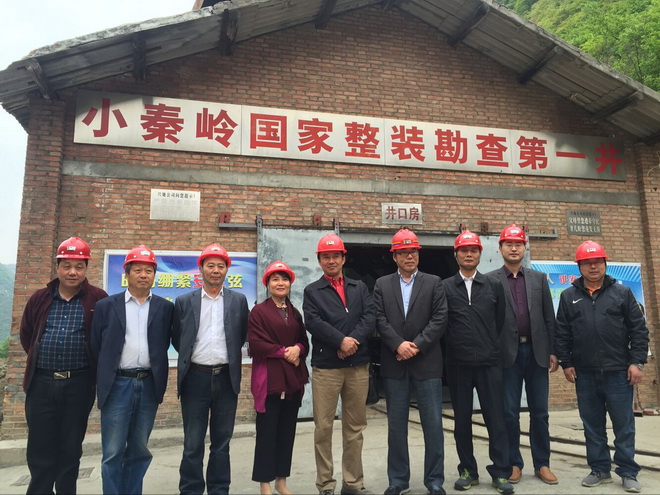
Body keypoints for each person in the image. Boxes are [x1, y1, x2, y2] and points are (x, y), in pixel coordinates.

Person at [555, 241, 649, 493]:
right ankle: (599, 469)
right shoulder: (568, 296)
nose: (593, 267)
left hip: (618, 372)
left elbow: (638, 330)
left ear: (605, 264)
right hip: (584, 374)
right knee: (592, 426)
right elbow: (562, 333)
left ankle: (628, 471)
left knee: (623, 426)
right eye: (587, 263)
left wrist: (637, 362)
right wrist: (566, 363)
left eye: (597, 262)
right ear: (579, 267)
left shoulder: (622, 293)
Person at [19, 236, 108, 494]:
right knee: (40, 448)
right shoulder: (40, 298)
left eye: (79, 266)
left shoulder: (98, 299)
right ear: (57, 266)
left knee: (71, 448)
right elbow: (27, 336)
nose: (72, 272)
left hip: (79, 384)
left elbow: (103, 337)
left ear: (86, 268)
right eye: (66, 265)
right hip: (41, 384)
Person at [90, 245, 174, 495]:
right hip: (118, 384)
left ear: (154, 275)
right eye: (137, 270)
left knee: (139, 450)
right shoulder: (106, 306)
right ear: (126, 274)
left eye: (149, 270)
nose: (143, 275)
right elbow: (95, 345)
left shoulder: (164, 308)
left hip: (148, 384)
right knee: (113, 451)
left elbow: (166, 342)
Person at [373, 229, 448, 495]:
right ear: (394, 256)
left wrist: (415, 346)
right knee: (396, 426)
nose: (409, 256)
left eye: (413, 252)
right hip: (394, 363)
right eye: (403, 252)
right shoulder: (382, 284)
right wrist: (398, 344)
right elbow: (379, 319)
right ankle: (398, 480)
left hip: (427, 362)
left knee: (433, 424)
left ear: (418, 254)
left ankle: (434, 480)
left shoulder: (434, 282)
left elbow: (440, 318)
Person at [172, 243, 249, 495]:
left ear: (227, 269)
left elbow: (241, 335)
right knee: (193, 443)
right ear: (201, 268)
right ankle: (190, 490)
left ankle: (219, 489)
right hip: (195, 378)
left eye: (221, 266)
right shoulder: (184, 301)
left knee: (222, 442)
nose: (216, 270)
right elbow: (178, 339)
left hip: (226, 378)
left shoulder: (238, 301)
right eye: (210, 265)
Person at [303, 233, 375, 495]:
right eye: (326, 257)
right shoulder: (313, 291)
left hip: (357, 367)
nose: (331, 260)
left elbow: (370, 316)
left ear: (344, 258)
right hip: (327, 369)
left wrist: (352, 341)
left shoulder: (359, 287)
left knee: (354, 427)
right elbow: (313, 322)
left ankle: (353, 483)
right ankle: (325, 484)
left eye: (335, 256)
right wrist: (340, 342)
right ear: (319, 261)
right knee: (323, 427)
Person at [442, 231, 513, 495]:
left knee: (496, 419)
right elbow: (442, 324)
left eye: (473, 250)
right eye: (464, 250)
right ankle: (468, 471)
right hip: (458, 364)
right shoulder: (445, 287)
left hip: (489, 362)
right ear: (456, 255)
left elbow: (499, 320)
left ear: (480, 254)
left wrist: (488, 345)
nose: (469, 254)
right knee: (462, 421)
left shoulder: (493, 285)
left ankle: (501, 472)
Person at [486, 225, 558, 485]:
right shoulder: (491, 280)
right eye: (509, 244)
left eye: (518, 244)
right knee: (509, 413)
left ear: (524, 248)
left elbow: (549, 318)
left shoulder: (538, 278)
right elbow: (488, 322)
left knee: (540, 413)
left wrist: (553, 351)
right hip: (507, 355)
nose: (514, 248)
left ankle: (542, 464)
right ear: (500, 248)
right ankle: (513, 463)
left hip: (537, 353)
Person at [248, 260, 310, 495]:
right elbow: (256, 344)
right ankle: (265, 484)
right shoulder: (258, 312)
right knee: (266, 434)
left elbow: (304, 342)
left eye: (284, 279)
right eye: (275, 279)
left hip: (292, 382)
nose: (280, 283)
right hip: (269, 383)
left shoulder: (294, 313)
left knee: (286, 433)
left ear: (290, 283)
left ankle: (281, 482)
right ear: (267, 284)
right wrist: (285, 352)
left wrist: (298, 349)